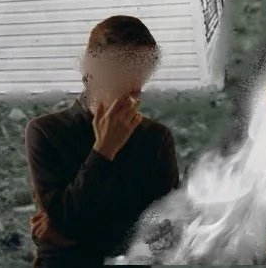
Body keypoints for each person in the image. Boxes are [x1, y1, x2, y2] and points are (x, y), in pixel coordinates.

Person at [25, 14, 180, 267]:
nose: (136, 83)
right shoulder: (46, 132)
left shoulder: (157, 138)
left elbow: (165, 234)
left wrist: (69, 234)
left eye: (143, 67)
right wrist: (103, 151)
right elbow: (67, 220)